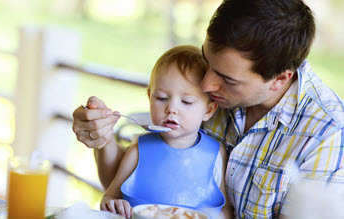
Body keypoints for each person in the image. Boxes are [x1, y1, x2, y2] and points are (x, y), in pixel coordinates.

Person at [72, 0, 344, 218]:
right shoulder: (202, 93)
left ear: (280, 79)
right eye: (207, 60)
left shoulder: (325, 135)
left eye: (227, 79)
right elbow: (137, 176)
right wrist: (101, 138)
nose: (206, 83)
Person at [97, 45, 231, 218]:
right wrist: (114, 203)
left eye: (186, 101)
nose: (171, 108)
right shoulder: (139, 150)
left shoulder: (216, 154)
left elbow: (225, 209)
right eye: (161, 98)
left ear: (208, 111)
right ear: (149, 97)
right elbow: (110, 196)